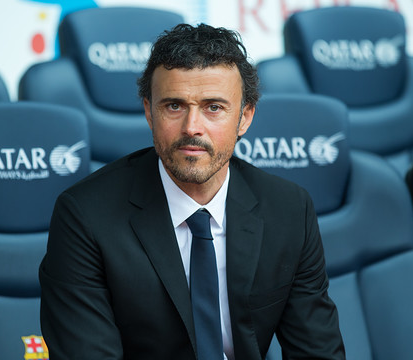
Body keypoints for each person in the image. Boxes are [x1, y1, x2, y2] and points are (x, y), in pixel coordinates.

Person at [39, 23, 345, 360]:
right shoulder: (85, 215)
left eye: (214, 107)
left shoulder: (288, 209)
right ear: (148, 112)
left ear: (244, 118)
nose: (192, 128)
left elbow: (318, 352)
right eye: (173, 106)